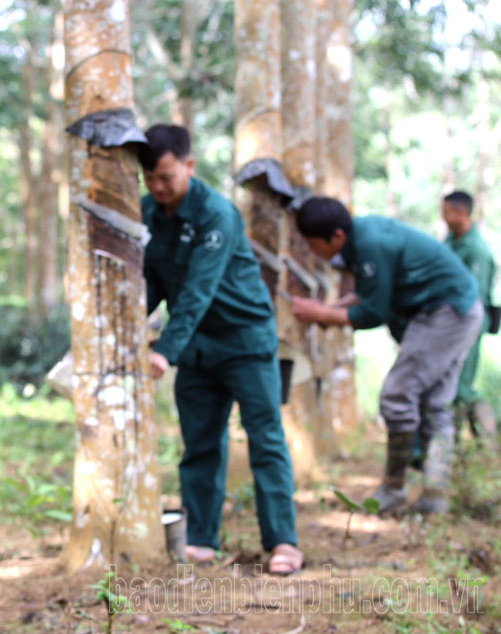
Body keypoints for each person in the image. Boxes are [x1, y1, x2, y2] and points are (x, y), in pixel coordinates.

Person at [138, 124, 302, 575]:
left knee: (265, 439)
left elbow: (196, 291)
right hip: (196, 350)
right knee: (200, 445)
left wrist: (164, 349)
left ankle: (283, 542)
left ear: (189, 165)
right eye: (149, 178)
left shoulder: (217, 214)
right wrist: (132, 326)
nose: (158, 186)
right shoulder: (148, 212)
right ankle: (200, 539)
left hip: (245, 342)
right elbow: (151, 282)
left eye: (167, 176)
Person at [292, 197, 482, 516]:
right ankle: (436, 495)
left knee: (397, 394)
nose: (312, 253)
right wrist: (330, 311)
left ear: (336, 236)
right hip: (458, 309)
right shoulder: (360, 238)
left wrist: (321, 311)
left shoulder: (370, 244)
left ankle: (394, 488)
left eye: (312, 245)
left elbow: (373, 312)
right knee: (435, 402)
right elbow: (371, 293)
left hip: (446, 312)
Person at [441, 190, 497, 439]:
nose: (443, 217)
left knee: (462, 386)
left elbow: (475, 295)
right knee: (449, 381)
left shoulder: (477, 250)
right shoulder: (451, 240)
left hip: (470, 322)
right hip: (449, 322)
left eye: (446, 212)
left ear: (461, 212)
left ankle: (484, 439)